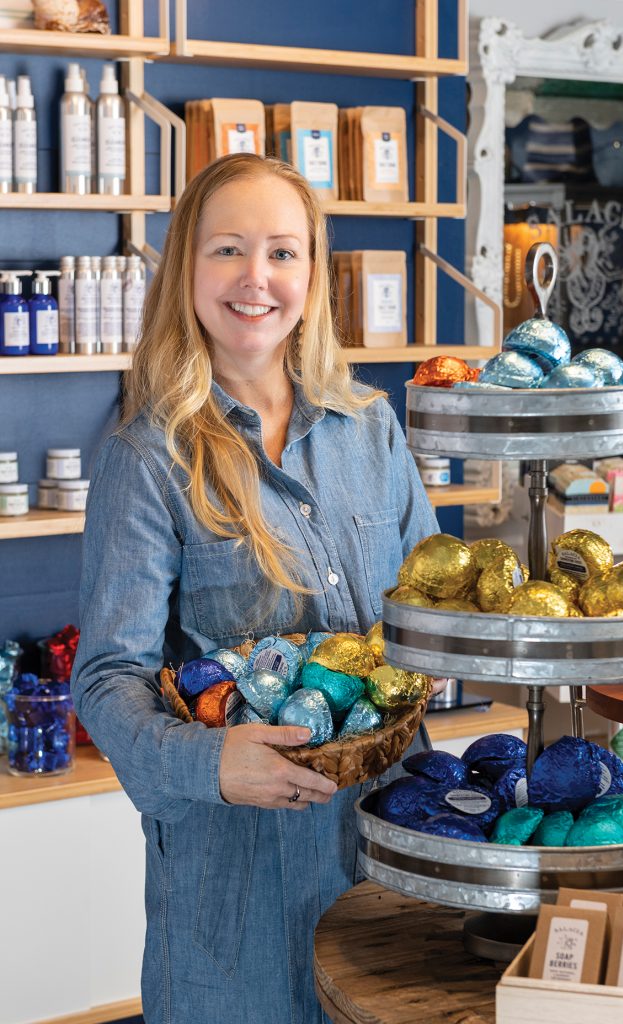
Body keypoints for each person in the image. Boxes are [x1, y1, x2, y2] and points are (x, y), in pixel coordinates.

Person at [72, 153, 444, 1024]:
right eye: (227, 250)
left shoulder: (371, 429)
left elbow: (430, 618)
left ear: (312, 274)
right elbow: (105, 679)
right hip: (235, 882)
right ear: (186, 271)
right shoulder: (147, 461)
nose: (256, 278)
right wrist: (212, 764)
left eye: (282, 252)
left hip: (388, 846)